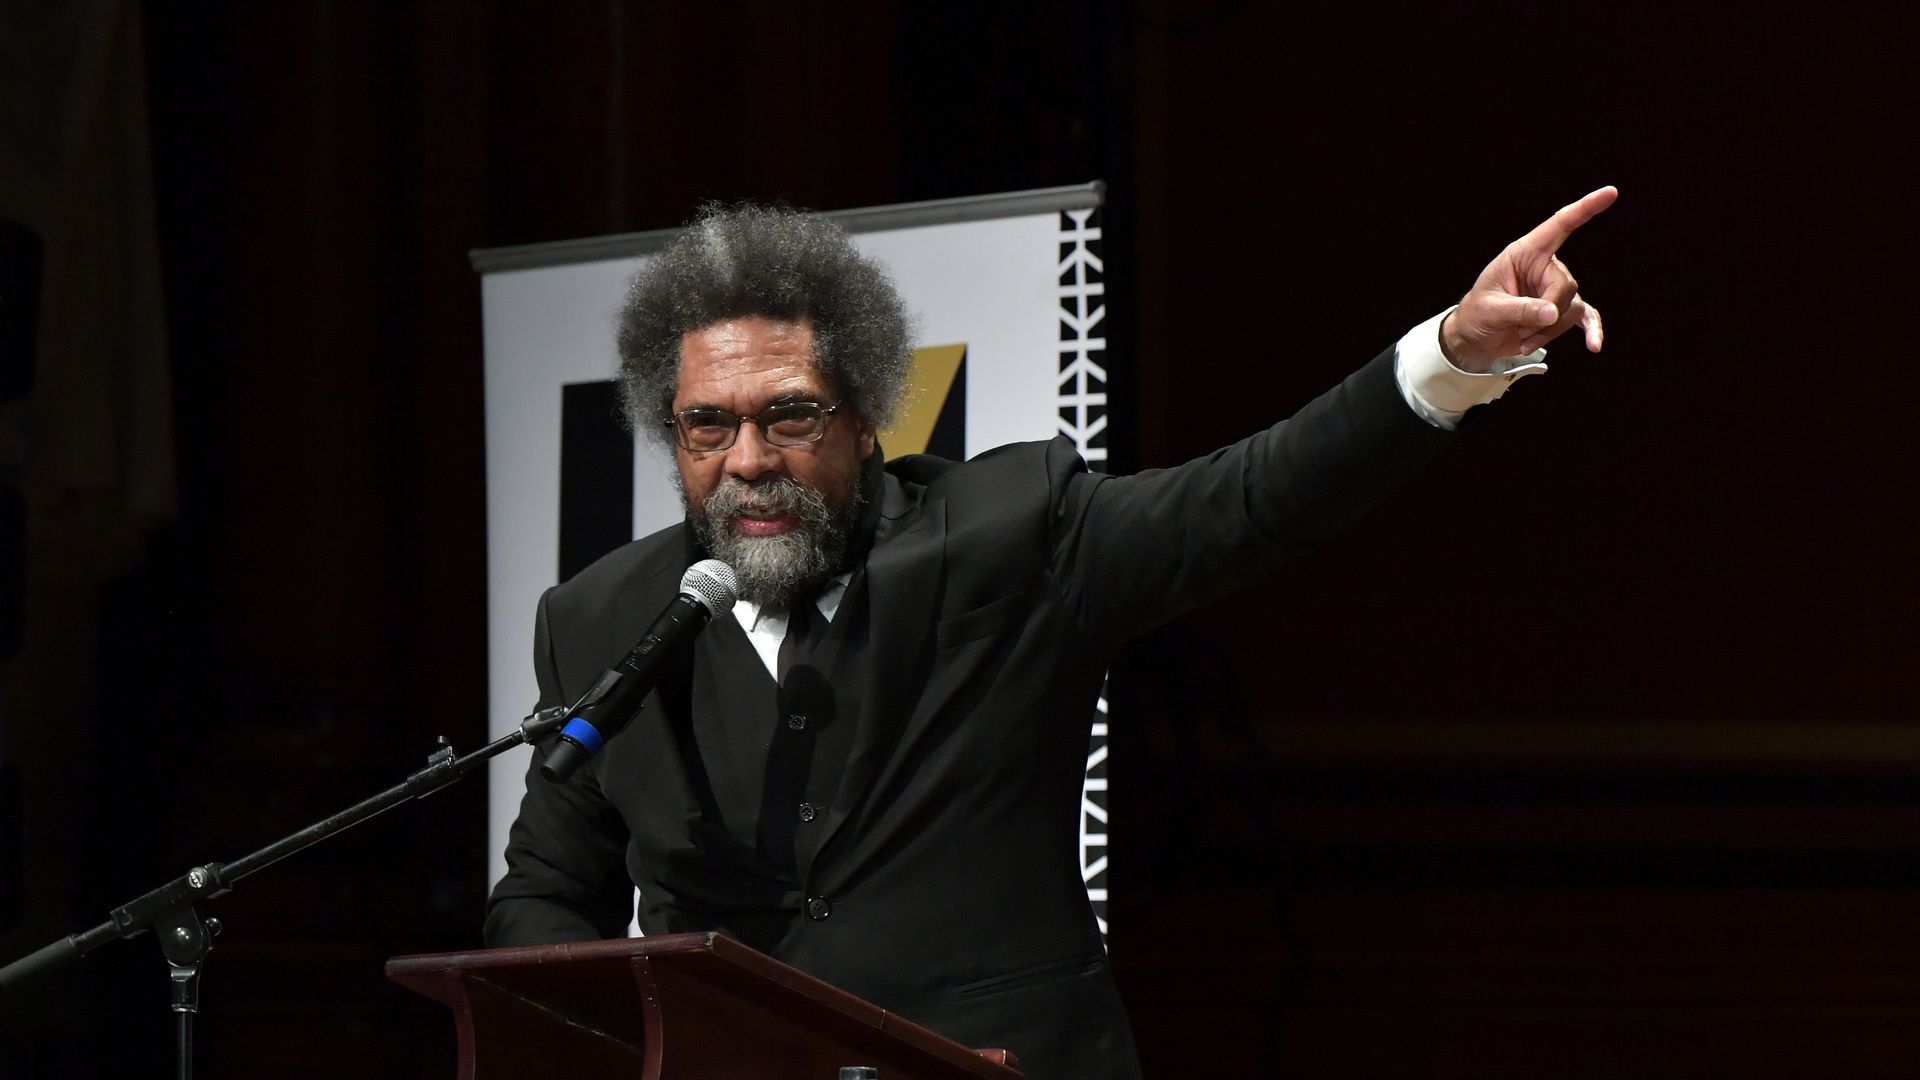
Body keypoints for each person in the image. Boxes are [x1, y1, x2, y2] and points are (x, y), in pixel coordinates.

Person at [484, 189, 1617, 1079]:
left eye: (790, 414)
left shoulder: (1015, 534)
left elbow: (1254, 498)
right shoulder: (603, 620)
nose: (747, 461)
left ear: (867, 412)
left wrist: (1455, 357)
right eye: (706, 427)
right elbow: (544, 890)